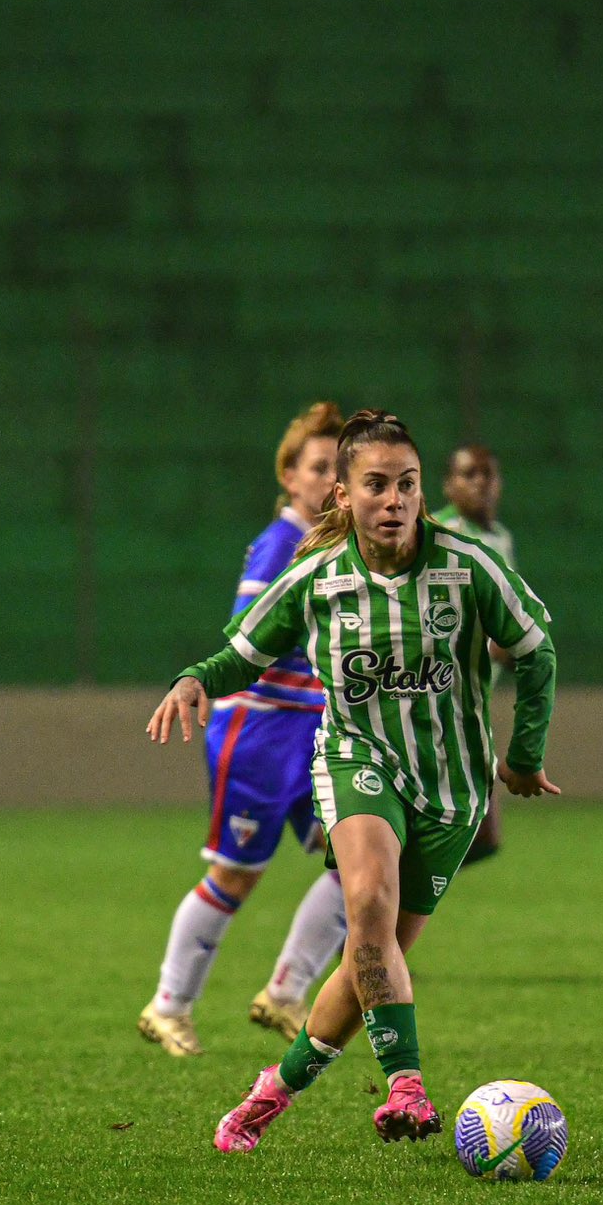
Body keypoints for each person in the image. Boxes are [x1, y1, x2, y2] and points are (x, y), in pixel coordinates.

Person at [146, 410, 561, 1153]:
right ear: (344, 494)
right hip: (356, 762)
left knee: (370, 959)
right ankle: (407, 1084)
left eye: (407, 483)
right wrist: (193, 679)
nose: (395, 499)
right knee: (365, 898)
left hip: (453, 790)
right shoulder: (315, 574)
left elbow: (537, 652)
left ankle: (271, 1095)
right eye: (376, 484)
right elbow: (244, 653)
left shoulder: (468, 565)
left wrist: (522, 757)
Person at [137, 401, 355, 1057]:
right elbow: (249, 636)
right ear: (289, 476)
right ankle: (168, 1005)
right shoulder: (280, 544)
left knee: (362, 860)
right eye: (318, 467)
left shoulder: (333, 548)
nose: (329, 480)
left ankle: (285, 993)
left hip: (313, 734)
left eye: (340, 468)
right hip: (258, 735)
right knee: (237, 876)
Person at [433, 444, 516, 866]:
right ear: (449, 485)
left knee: (481, 837)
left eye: (488, 474)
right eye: (469, 474)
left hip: (473, 699)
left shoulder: (499, 539)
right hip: (436, 695)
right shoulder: (439, 533)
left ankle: (391, 898)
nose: (480, 483)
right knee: (477, 830)